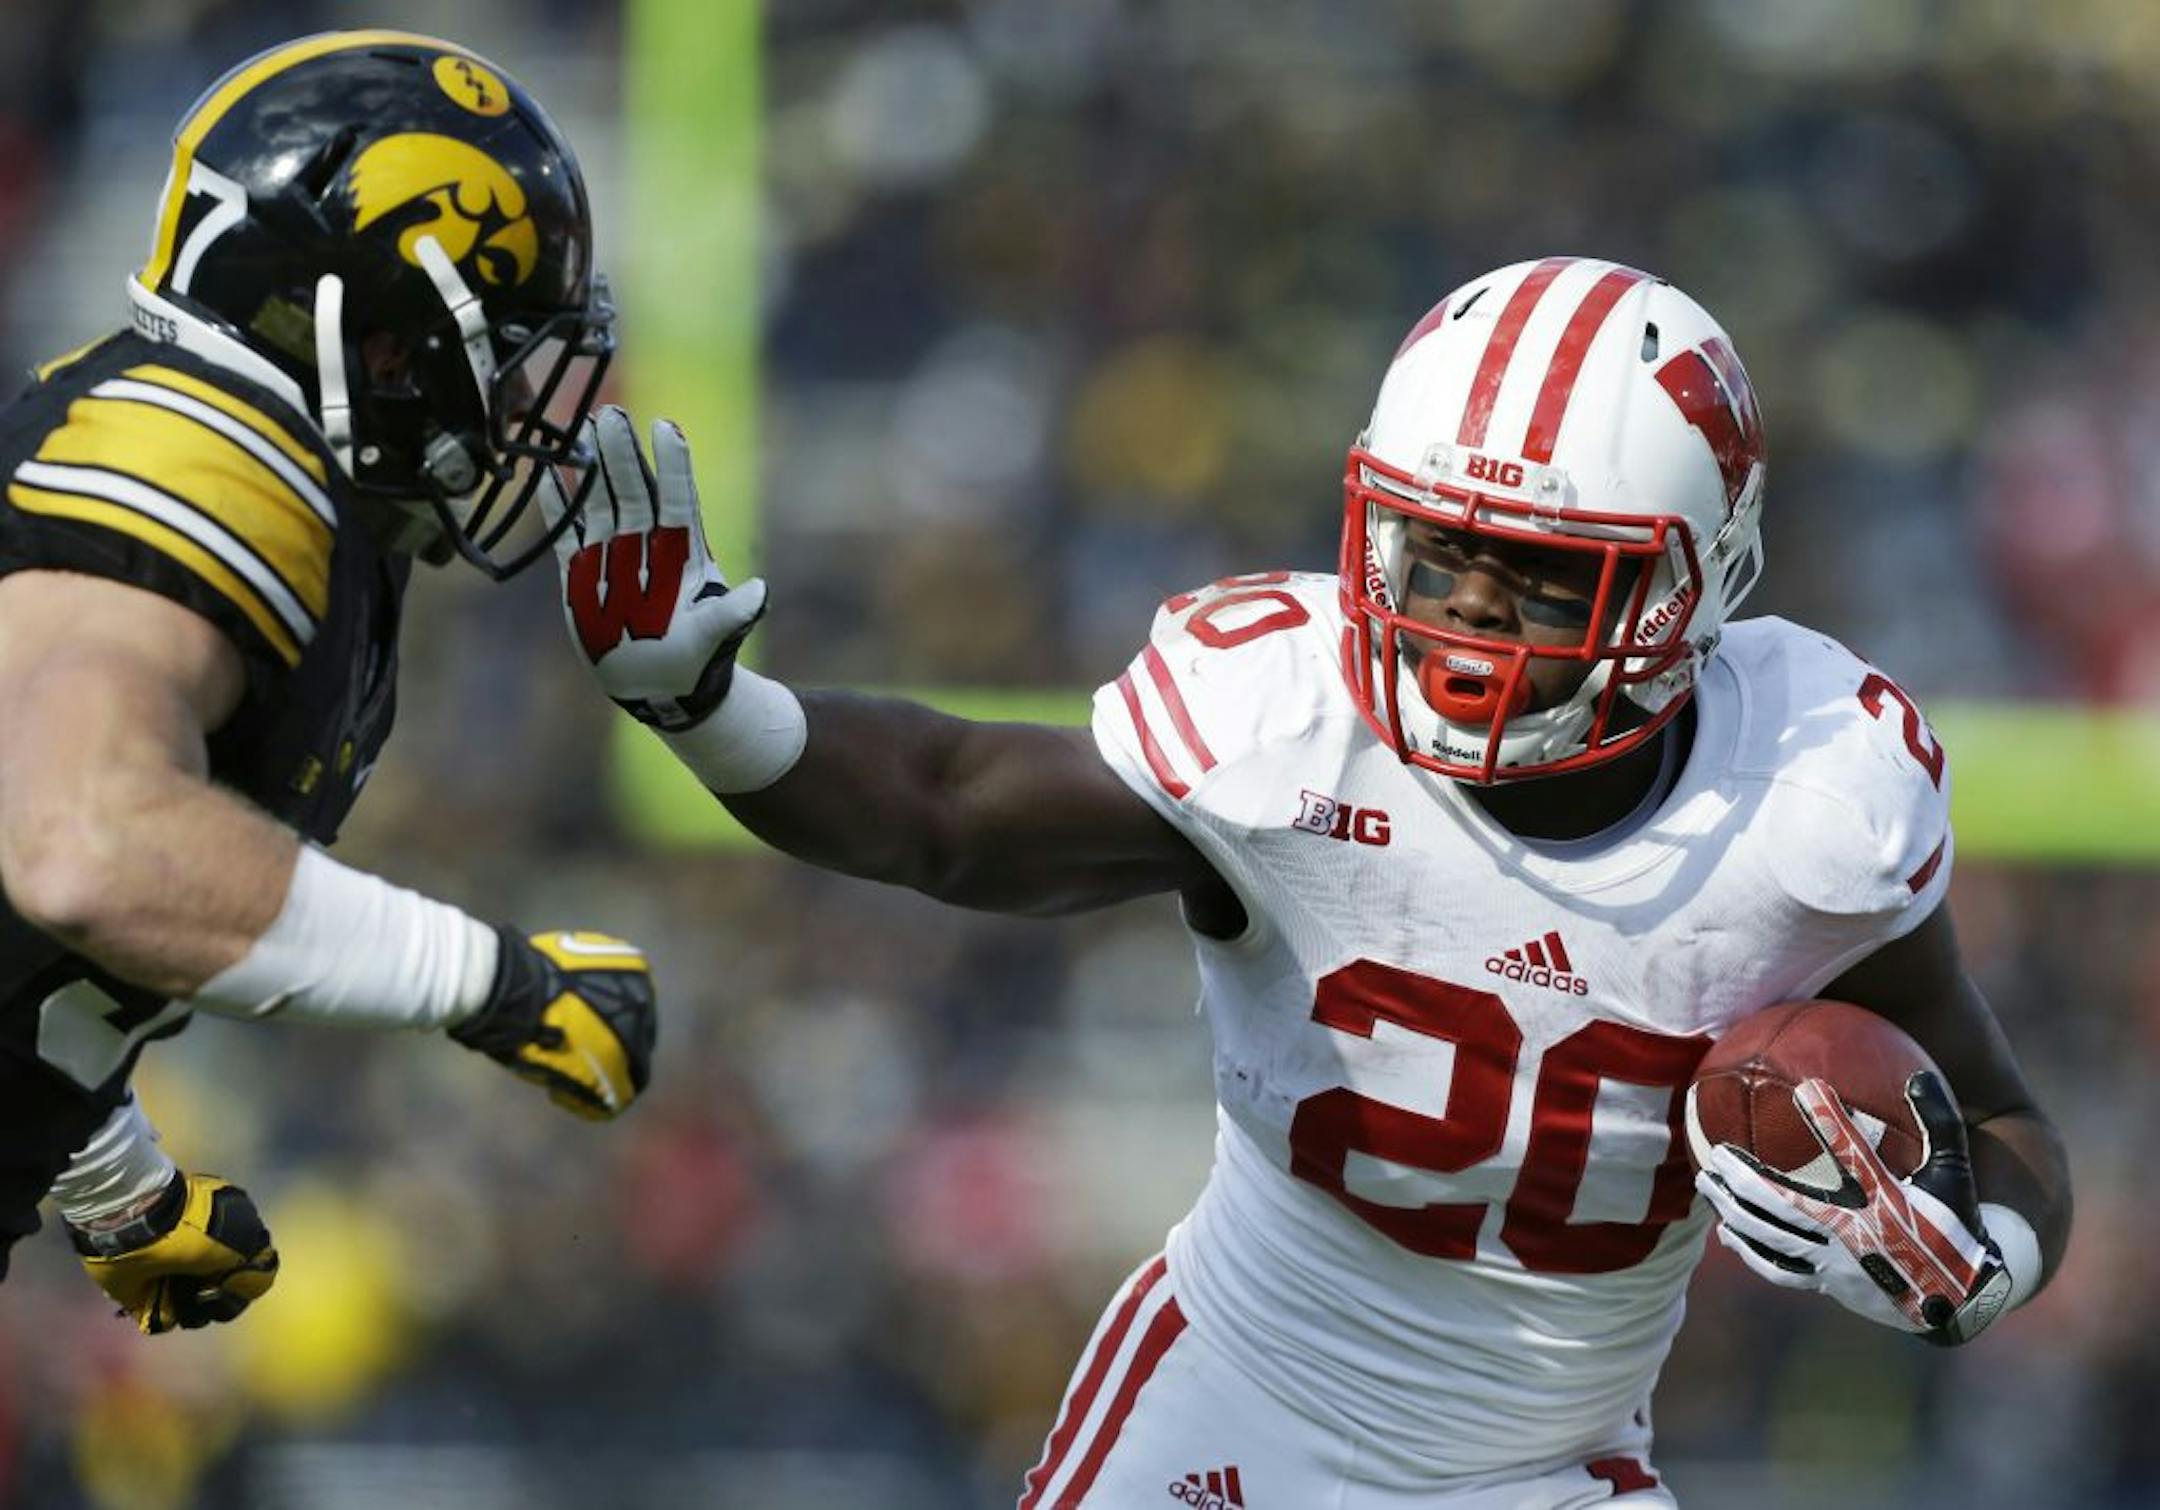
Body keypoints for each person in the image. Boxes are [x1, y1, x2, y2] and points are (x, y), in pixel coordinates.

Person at [551, 257, 2071, 1506]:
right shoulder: (1286, 720)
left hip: (1547, 1473)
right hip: (1231, 1401)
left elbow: (2002, 1121)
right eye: (1439, 549)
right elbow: (949, 811)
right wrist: (711, 711)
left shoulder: (1811, 810)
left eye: (1547, 571)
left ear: (1697, 582)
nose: (1472, 610)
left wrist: (1976, 1261)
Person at [0, 31, 657, 1337]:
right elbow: (82, 847)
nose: (517, 409)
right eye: (492, 352)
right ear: (375, 337)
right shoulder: (204, 467)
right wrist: (487, 983)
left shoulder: (272, 484)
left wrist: (113, 1178)